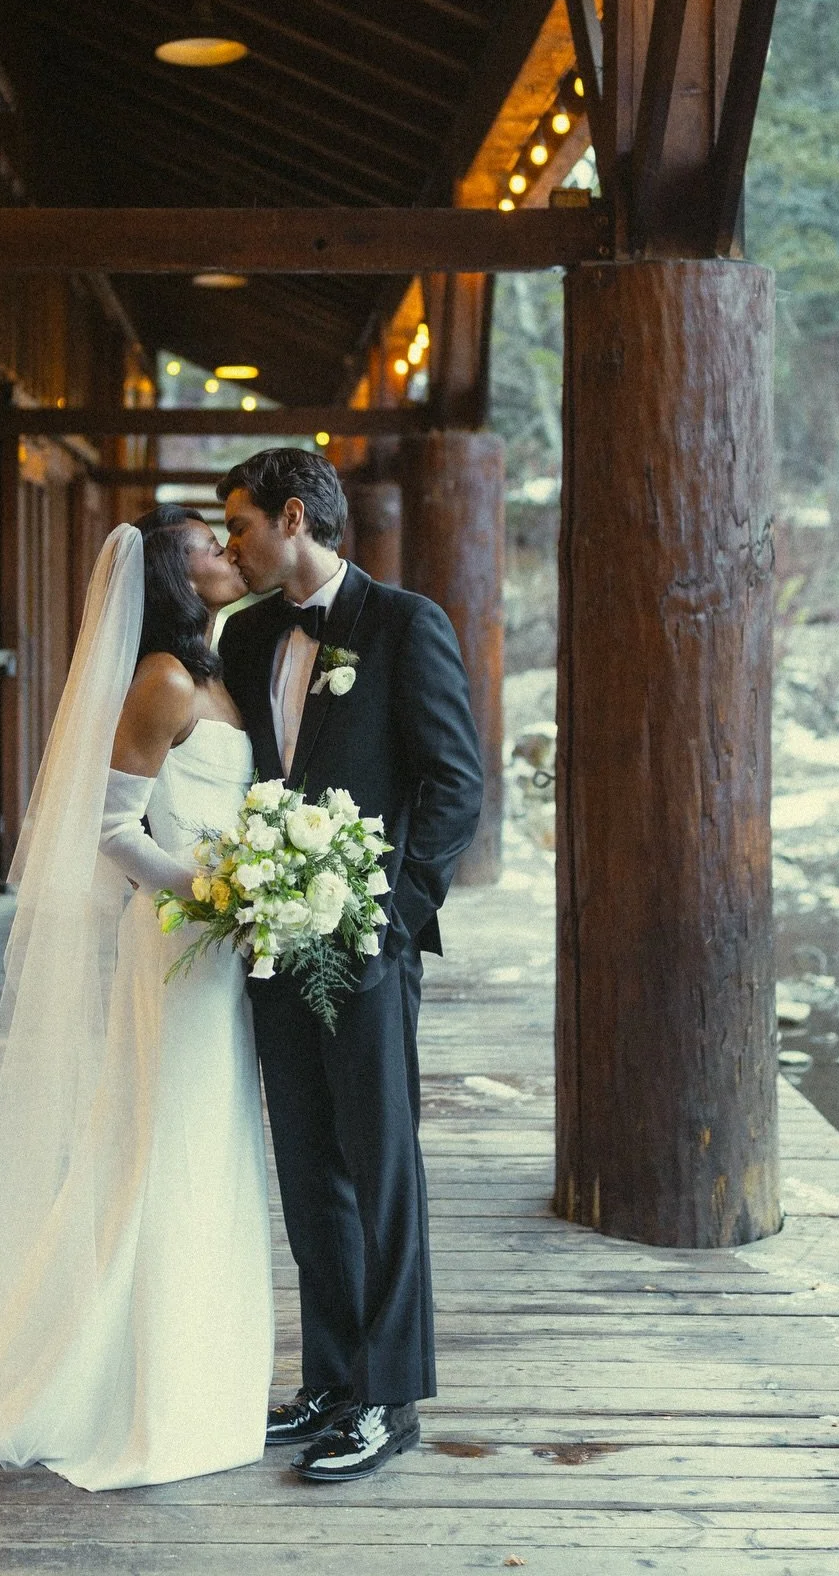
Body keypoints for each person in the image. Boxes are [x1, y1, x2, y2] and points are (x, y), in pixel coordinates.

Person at [0, 508, 273, 1489]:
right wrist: (212, 893)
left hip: (223, 948)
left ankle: (195, 1353)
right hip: (180, 942)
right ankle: (130, 1372)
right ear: (174, 576)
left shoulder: (217, 673)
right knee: (166, 1134)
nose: (226, 551)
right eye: (208, 546)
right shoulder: (162, 682)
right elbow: (109, 828)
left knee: (210, 1137)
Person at [219, 447, 483, 1483]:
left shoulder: (406, 624)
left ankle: (389, 1397)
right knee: (305, 1160)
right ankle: (329, 1375)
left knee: (382, 1168)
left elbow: (454, 786)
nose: (231, 544)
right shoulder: (246, 640)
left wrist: (391, 915)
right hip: (271, 940)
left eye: (240, 524)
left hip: (365, 944)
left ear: (295, 518)